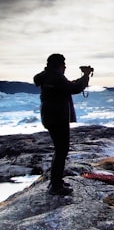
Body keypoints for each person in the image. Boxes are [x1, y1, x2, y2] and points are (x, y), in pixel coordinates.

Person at [34, 54, 93, 195]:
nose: (65, 67)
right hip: (58, 118)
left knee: (59, 150)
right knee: (61, 150)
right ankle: (56, 186)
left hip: (50, 117)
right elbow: (74, 88)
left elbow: (68, 86)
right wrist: (85, 75)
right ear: (58, 65)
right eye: (63, 64)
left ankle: (56, 182)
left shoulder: (48, 76)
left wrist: (82, 79)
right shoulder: (55, 77)